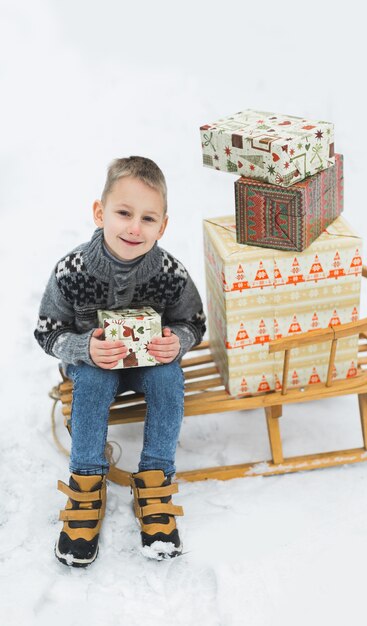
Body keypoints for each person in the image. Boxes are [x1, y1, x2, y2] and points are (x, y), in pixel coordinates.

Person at [34, 156, 206, 566]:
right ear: (100, 213)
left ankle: (154, 481)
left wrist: (176, 341)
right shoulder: (71, 270)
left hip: (148, 363)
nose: (134, 227)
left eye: (148, 219)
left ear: (162, 226)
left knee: (168, 377)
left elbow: (193, 322)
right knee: (91, 383)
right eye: (124, 213)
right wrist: (83, 349)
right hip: (93, 362)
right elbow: (46, 331)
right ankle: (88, 482)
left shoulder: (170, 272)